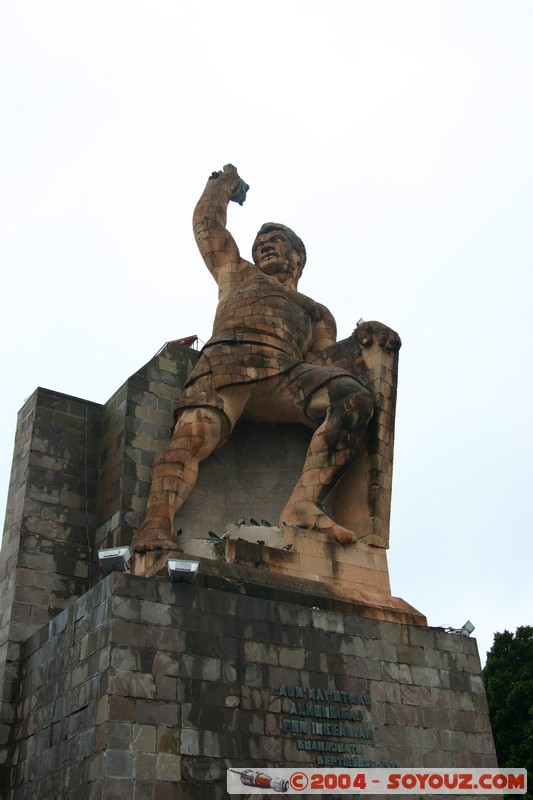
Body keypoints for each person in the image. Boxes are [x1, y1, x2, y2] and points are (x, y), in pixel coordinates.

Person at [134, 164, 400, 552]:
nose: (264, 246)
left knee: (354, 398)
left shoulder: (316, 312)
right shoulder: (238, 272)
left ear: (298, 256)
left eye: (276, 240)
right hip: (227, 364)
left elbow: (323, 362)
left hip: (285, 375)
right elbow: (207, 225)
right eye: (259, 243)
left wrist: (367, 341)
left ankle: (303, 505)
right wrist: (222, 184)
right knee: (191, 439)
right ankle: (155, 526)